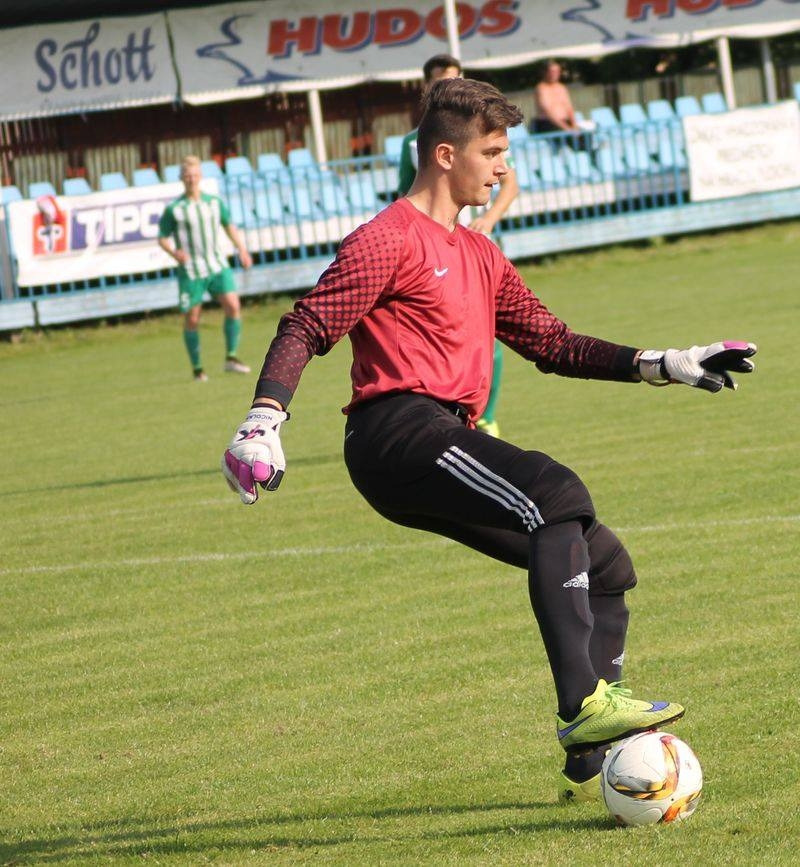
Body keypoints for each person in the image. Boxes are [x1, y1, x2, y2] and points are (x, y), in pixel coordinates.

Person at [221, 79, 756, 803]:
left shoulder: (479, 252)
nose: (503, 167)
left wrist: (664, 363)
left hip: (440, 435)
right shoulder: (388, 237)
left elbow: (555, 343)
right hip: (396, 430)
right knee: (555, 491)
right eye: (493, 151)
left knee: (607, 564)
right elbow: (307, 323)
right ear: (446, 155)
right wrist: (264, 417)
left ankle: (593, 759)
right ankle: (584, 707)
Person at [398, 54, 520, 436]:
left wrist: (490, 219)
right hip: (434, 252)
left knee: (490, 334)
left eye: (455, 78)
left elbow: (510, 183)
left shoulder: (482, 133)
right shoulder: (412, 142)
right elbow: (407, 192)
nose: (498, 165)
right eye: (441, 82)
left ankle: (485, 417)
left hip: (474, 245)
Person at [158, 155, 253, 381]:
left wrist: (242, 249)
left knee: (233, 305)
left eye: (195, 175)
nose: (191, 179)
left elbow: (229, 226)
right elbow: (162, 238)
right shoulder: (175, 209)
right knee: (192, 318)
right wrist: (174, 252)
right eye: (187, 175)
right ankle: (198, 368)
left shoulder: (214, 202)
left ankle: (231, 357)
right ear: (182, 178)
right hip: (191, 270)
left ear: (200, 176)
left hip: (217, 265)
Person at [530, 59, 581, 136]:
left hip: (564, 122)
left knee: (584, 135)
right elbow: (548, 112)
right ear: (545, 72)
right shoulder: (541, 88)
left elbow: (569, 108)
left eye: (557, 71)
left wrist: (574, 124)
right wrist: (567, 129)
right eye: (552, 72)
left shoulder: (561, 87)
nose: (555, 74)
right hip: (549, 124)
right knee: (570, 137)